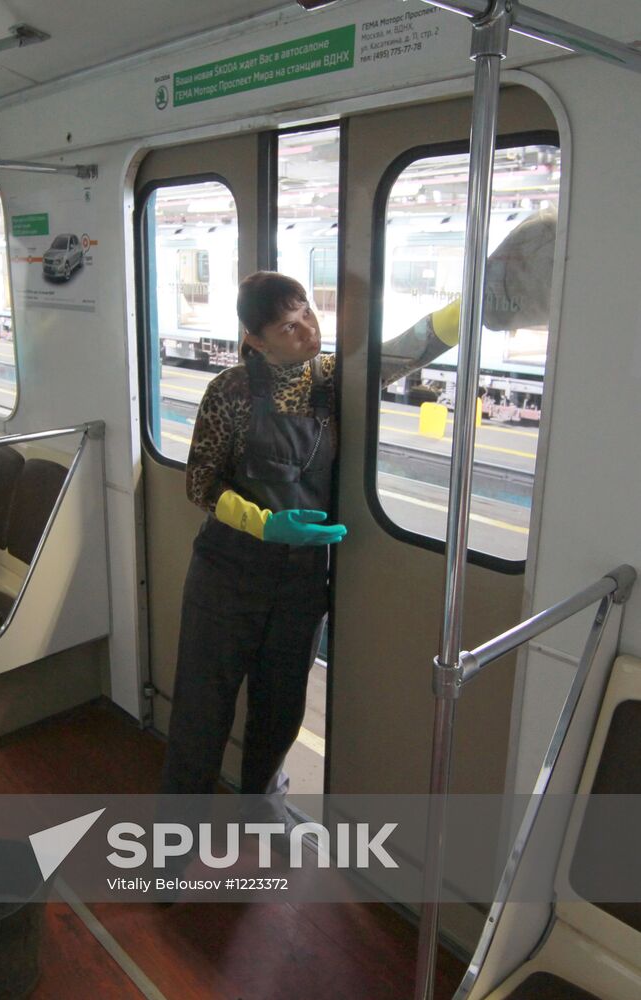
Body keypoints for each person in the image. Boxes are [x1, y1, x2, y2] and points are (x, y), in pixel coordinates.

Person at [159, 272, 466, 799]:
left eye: (306, 312)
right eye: (288, 326)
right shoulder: (229, 391)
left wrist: (475, 301)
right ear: (257, 341)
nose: (308, 329)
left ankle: (261, 808)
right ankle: (179, 833)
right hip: (226, 578)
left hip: (300, 584)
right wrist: (263, 523)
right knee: (201, 715)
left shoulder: (333, 378)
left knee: (280, 712)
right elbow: (200, 483)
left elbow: (405, 352)